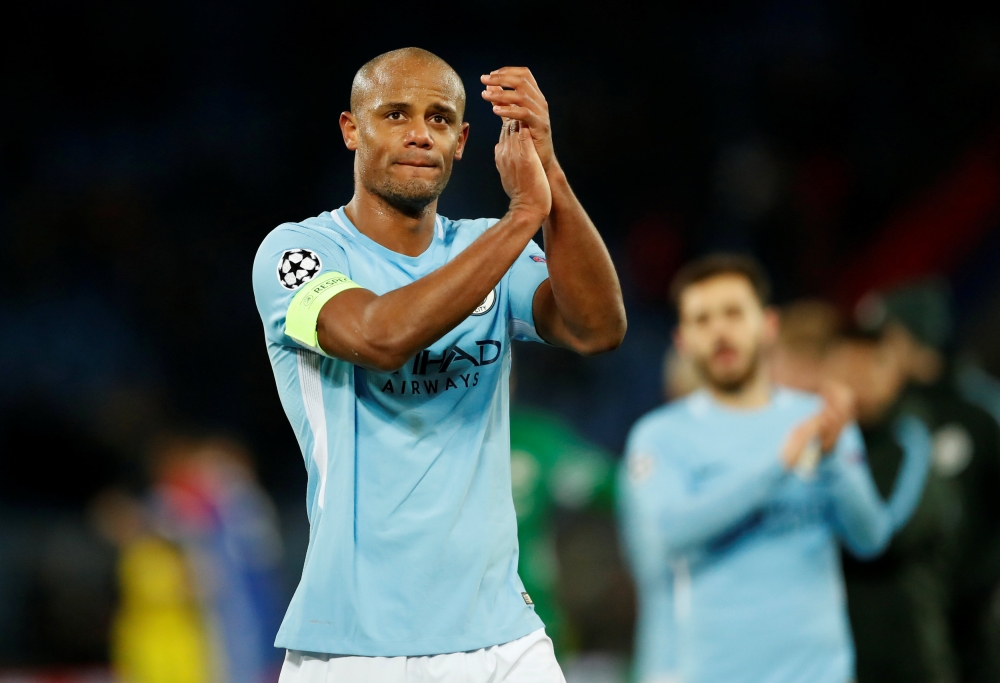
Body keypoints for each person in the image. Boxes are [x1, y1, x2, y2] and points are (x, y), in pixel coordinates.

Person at [252, 48, 626, 683]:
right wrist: (523, 218)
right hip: (354, 644)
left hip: (503, 638)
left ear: (462, 141)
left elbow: (596, 328)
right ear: (351, 129)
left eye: (440, 118)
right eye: (395, 114)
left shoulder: (484, 246)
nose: (420, 133)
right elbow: (379, 337)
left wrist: (551, 176)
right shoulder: (300, 252)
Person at [617, 254, 931, 683]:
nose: (720, 332)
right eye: (702, 319)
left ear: (768, 325)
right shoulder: (660, 436)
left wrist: (835, 461)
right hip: (714, 673)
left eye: (733, 313)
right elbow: (670, 532)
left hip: (819, 673)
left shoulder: (821, 418)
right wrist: (779, 464)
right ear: (682, 339)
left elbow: (869, 538)